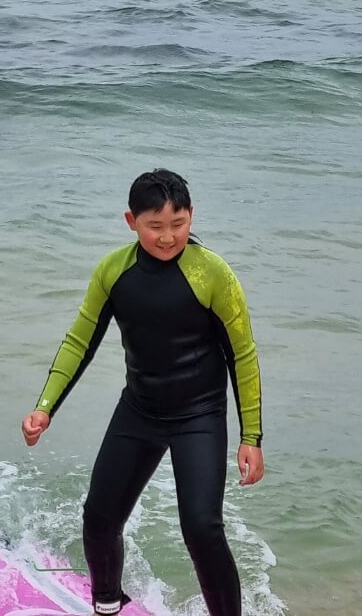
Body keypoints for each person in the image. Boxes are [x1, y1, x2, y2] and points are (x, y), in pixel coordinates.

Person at [20, 169, 263, 616]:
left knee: (202, 528)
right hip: (139, 411)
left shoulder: (213, 273)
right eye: (155, 226)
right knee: (98, 518)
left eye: (178, 224)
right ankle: (107, 605)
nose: (168, 237)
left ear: (192, 216)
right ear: (131, 221)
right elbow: (80, 342)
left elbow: (242, 356)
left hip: (200, 416)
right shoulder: (114, 271)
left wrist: (252, 438)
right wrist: (44, 407)